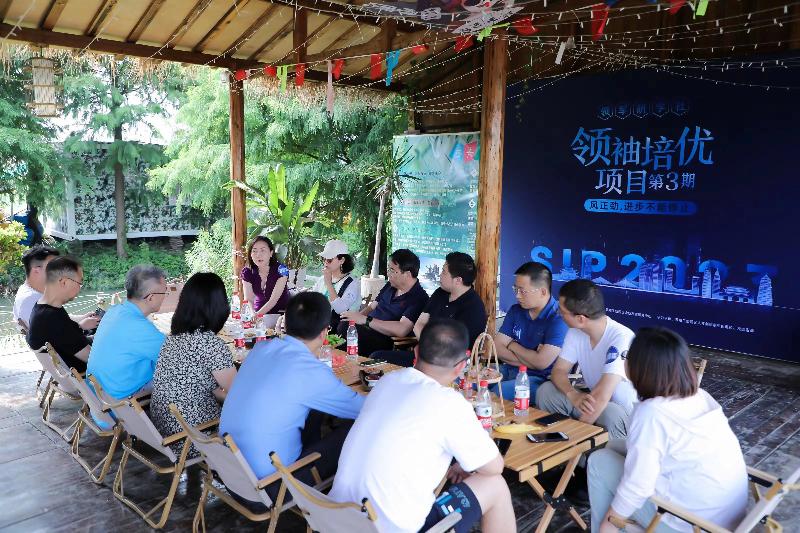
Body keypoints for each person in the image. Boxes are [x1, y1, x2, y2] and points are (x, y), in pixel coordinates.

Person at [330, 318, 516, 533]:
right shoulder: (450, 403)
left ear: (416, 352)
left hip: (333, 518)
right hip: (386, 529)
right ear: (461, 366)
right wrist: (466, 463)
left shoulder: (387, 381)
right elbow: (494, 467)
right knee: (495, 485)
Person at [588, 328, 748, 533]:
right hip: (724, 519)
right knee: (611, 445)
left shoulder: (651, 413)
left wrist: (610, 521)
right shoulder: (700, 396)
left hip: (688, 525)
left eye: (627, 356)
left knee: (599, 461)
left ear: (641, 368)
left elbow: (637, 486)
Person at [220, 292, 364, 483]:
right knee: (357, 428)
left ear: (286, 325)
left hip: (229, 472)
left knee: (313, 411)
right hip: (271, 485)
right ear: (324, 333)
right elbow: (366, 410)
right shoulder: (311, 371)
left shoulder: (261, 349)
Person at [536, 279, 637, 439]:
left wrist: (574, 438)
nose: (558, 314)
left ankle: (573, 445)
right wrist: (572, 394)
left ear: (581, 319)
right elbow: (559, 371)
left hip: (621, 414)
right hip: (591, 402)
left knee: (609, 412)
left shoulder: (621, 337)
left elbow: (603, 394)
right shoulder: (575, 331)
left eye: (561, 311)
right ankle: (562, 438)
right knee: (546, 391)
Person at [149, 272, 237, 453]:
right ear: (218, 306)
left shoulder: (172, 338)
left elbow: (211, 388)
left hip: (164, 431)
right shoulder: (210, 344)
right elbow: (239, 395)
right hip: (195, 439)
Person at [373, 252, 487, 367]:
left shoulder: (473, 307)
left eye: (444, 272)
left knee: (379, 361)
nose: (440, 275)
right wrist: (428, 346)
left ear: (458, 280)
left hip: (448, 364)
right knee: (377, 357)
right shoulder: (440, 293)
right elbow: (419, 324)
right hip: (425, 354)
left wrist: (429, 348)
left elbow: (456, 347)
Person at [88, 265, 168, 404]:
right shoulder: (140, 328)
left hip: (97, 399)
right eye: (164, 292)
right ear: (151, 298)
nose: (165, 297)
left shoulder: (114, 311)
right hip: (120, 405)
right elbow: (177, 358)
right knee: (183, 376)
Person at [493, 262, 568, 400]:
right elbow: (496, 348)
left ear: (543, 292)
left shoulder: (558, 318)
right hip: (508, 369)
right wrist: (532, 359)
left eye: (522, 291)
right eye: (515, 289)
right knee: (472, 380)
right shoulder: (516, 310)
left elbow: (541, 363)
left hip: (539, 379)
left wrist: (511, 345)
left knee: (497, 393)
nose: (517, 296)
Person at [339, 249, 429, 356]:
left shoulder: (419, 298)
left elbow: (402, 329)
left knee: (345, 329)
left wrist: (365, 320)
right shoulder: (390, 285)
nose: (388, 274)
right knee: (343, 323)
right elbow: (372, 307)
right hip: (367, 328)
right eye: (388, 269)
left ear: (407, 274)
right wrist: (356, 318)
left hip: (385, 339)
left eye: (392, 270)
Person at [27, 256, 98, 373]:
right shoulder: (52, 319)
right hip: (88, 375)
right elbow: (94, 360)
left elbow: (68, 337)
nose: (79, 288)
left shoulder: (41, 308)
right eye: (79, 283)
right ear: (64, 282)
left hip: (70, 365)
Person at [311, 239, 361, 331]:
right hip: (319, 324)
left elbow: (340, 309)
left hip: (341, 329)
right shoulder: (322, 279)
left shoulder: (352, 283)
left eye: (329, 260)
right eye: (324, 259)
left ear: (342, 260)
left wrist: (329, 283)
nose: (325, 262)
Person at [13, 245, 60, 330]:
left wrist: (82, 318)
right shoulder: (32, 299)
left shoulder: (26, 289)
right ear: (36, 270)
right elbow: (51, 332)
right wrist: (80, 325)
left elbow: (58, 319)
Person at [241, 236, 289, 315]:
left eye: (263, 250)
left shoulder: (282, 270)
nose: (258, 255)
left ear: (271, 253)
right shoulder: (247, 272)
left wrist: (257, 316)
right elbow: (249, 299)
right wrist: (252, 313)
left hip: (281, 314)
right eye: (254, 251)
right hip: (258, 311)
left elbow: (273, 300)